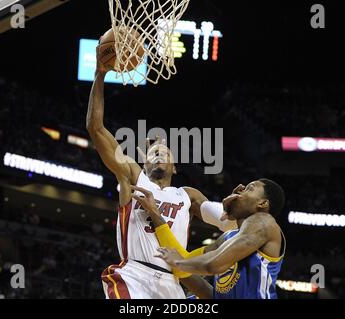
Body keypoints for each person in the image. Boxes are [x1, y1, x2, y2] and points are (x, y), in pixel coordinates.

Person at [86, 47, 237, 299]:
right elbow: (95, 127)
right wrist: (99, 75)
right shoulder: (133, 176)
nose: (158, 153)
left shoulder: (186, 194)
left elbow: (226, 223)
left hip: (171, 284)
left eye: (165, 151)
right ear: (143, 163)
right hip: (133, 276)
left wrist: (236, 209)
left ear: (176, 166)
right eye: (153, 152)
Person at [132, 179, 286, 299]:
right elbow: (184, 266)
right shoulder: (227, 238)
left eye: (249, 189)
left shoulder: (264, 222)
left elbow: (212, 265)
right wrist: (155, 215)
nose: (240, 192)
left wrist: (179, 262)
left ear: (263, 203)